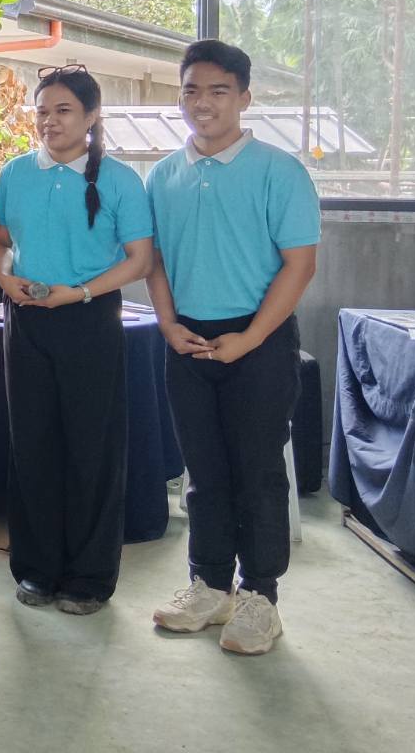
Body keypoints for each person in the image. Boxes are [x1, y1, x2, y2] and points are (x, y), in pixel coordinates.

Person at [146, 40, 319, 655]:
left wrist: (251, 337)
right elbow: (156, 261)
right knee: (204, 471)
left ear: (245, 97)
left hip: (260, 337)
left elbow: (299, 266)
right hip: (187, 338)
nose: (203, 103)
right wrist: (167, 325)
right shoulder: (163, 174)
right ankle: (210, 584)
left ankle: (259, 598)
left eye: (219, 90)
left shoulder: (280, 171)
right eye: (192, 90)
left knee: (259, 471)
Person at [0, 66, 154, 615]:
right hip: (27, 319)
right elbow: (1, 242)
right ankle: (36, 569)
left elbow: (140, 260)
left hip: (89, 319)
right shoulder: (14, 173)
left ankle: (89, 576)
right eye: (42, 111)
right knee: (32, 444)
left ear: (90, 117)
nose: (49, 121)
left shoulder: (120, 180)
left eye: (63, 111)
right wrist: (5, 276)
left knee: (92, 448)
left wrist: (80, 292)